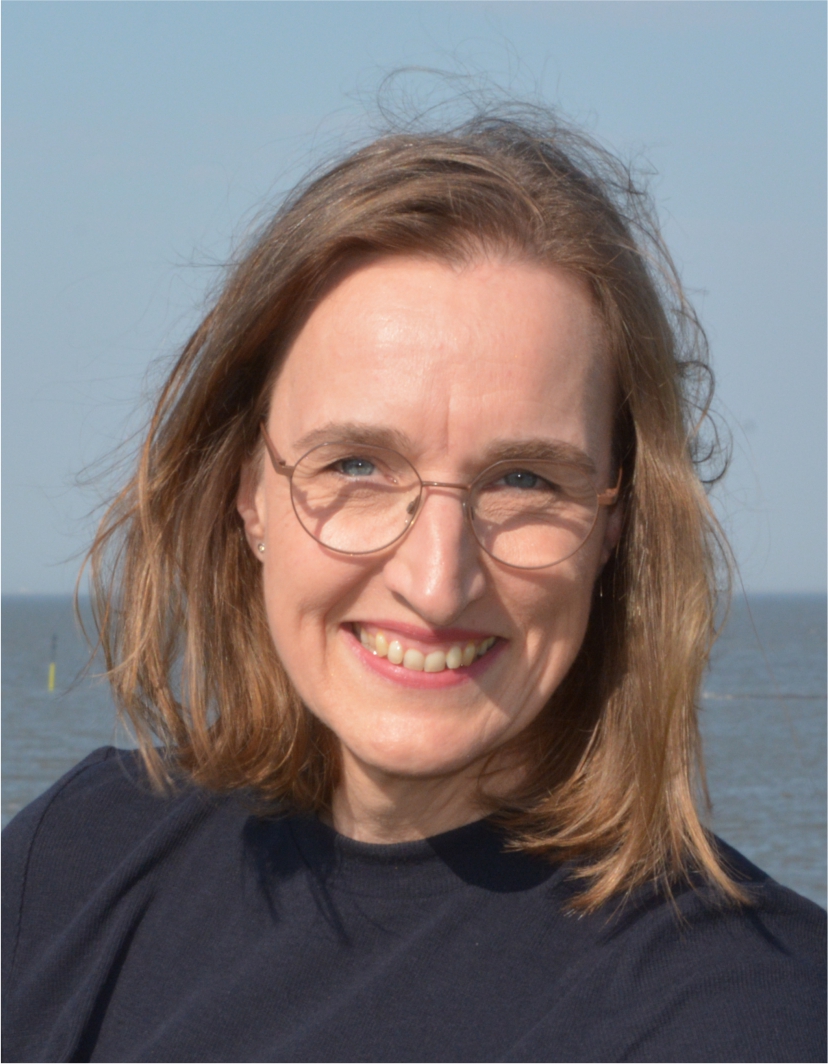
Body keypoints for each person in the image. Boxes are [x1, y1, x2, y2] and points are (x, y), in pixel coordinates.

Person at [3, 105, 825, 1064]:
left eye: (524, 480)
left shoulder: (744, 1009)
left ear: (616, 524)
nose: (437, 583)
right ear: (248, 490)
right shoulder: (81, 858)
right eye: (356, 464)